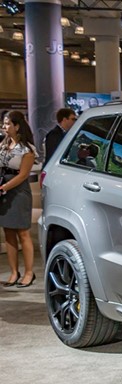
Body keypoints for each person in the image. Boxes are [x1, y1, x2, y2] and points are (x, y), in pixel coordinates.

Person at [0, 111, 38, 288]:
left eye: (7, 124)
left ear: (17, 126)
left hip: (18, 192)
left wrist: (4, 188)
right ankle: (14, 272)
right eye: (4, 124)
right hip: (3, 189)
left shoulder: (27, 149)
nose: (4, 127)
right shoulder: (3, 145)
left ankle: (29, 272)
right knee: (8, 232)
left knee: (23, 233)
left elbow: (23, 175)